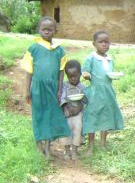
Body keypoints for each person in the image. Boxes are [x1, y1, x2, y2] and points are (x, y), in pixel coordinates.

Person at [21, 16, 70, 157]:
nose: (47, 32)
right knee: (38, 115)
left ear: (55, 30)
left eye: (50, 29)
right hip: (37, 88)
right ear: (39, 30)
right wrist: (27, 90)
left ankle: (48, 146)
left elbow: (61, 72)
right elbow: (29, 72)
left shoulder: (59, 50)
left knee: (51, 115)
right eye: (44, 29)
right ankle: (39, 144)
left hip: (53, 88)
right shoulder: (33, 48)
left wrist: (60, 89)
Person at [82, 31, 124, 156]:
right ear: (94, 43)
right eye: (101, 42)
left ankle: (103, 143)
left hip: (108, 92)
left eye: (107, 42)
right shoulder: (91, 58)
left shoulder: (110, 59)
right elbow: (85, 71)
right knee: (93, 116)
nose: (104, 44)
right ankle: (90, 145)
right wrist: (86, 75)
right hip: (95, 92)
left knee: (106, 116)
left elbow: (108, 74)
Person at [59, 60, 86, 160]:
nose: (73, 78)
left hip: (78, 114)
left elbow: (85, 100)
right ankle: (67, 151)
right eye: (70, 76)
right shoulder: (65, 86)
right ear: (67, 75)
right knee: (66, 131)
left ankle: (74, 150)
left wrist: (80, 107)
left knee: (78, 129)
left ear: (80, 74)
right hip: (67, 113)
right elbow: (61, 98)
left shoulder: (82, 87)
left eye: (76, 75)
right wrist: (65, 107)